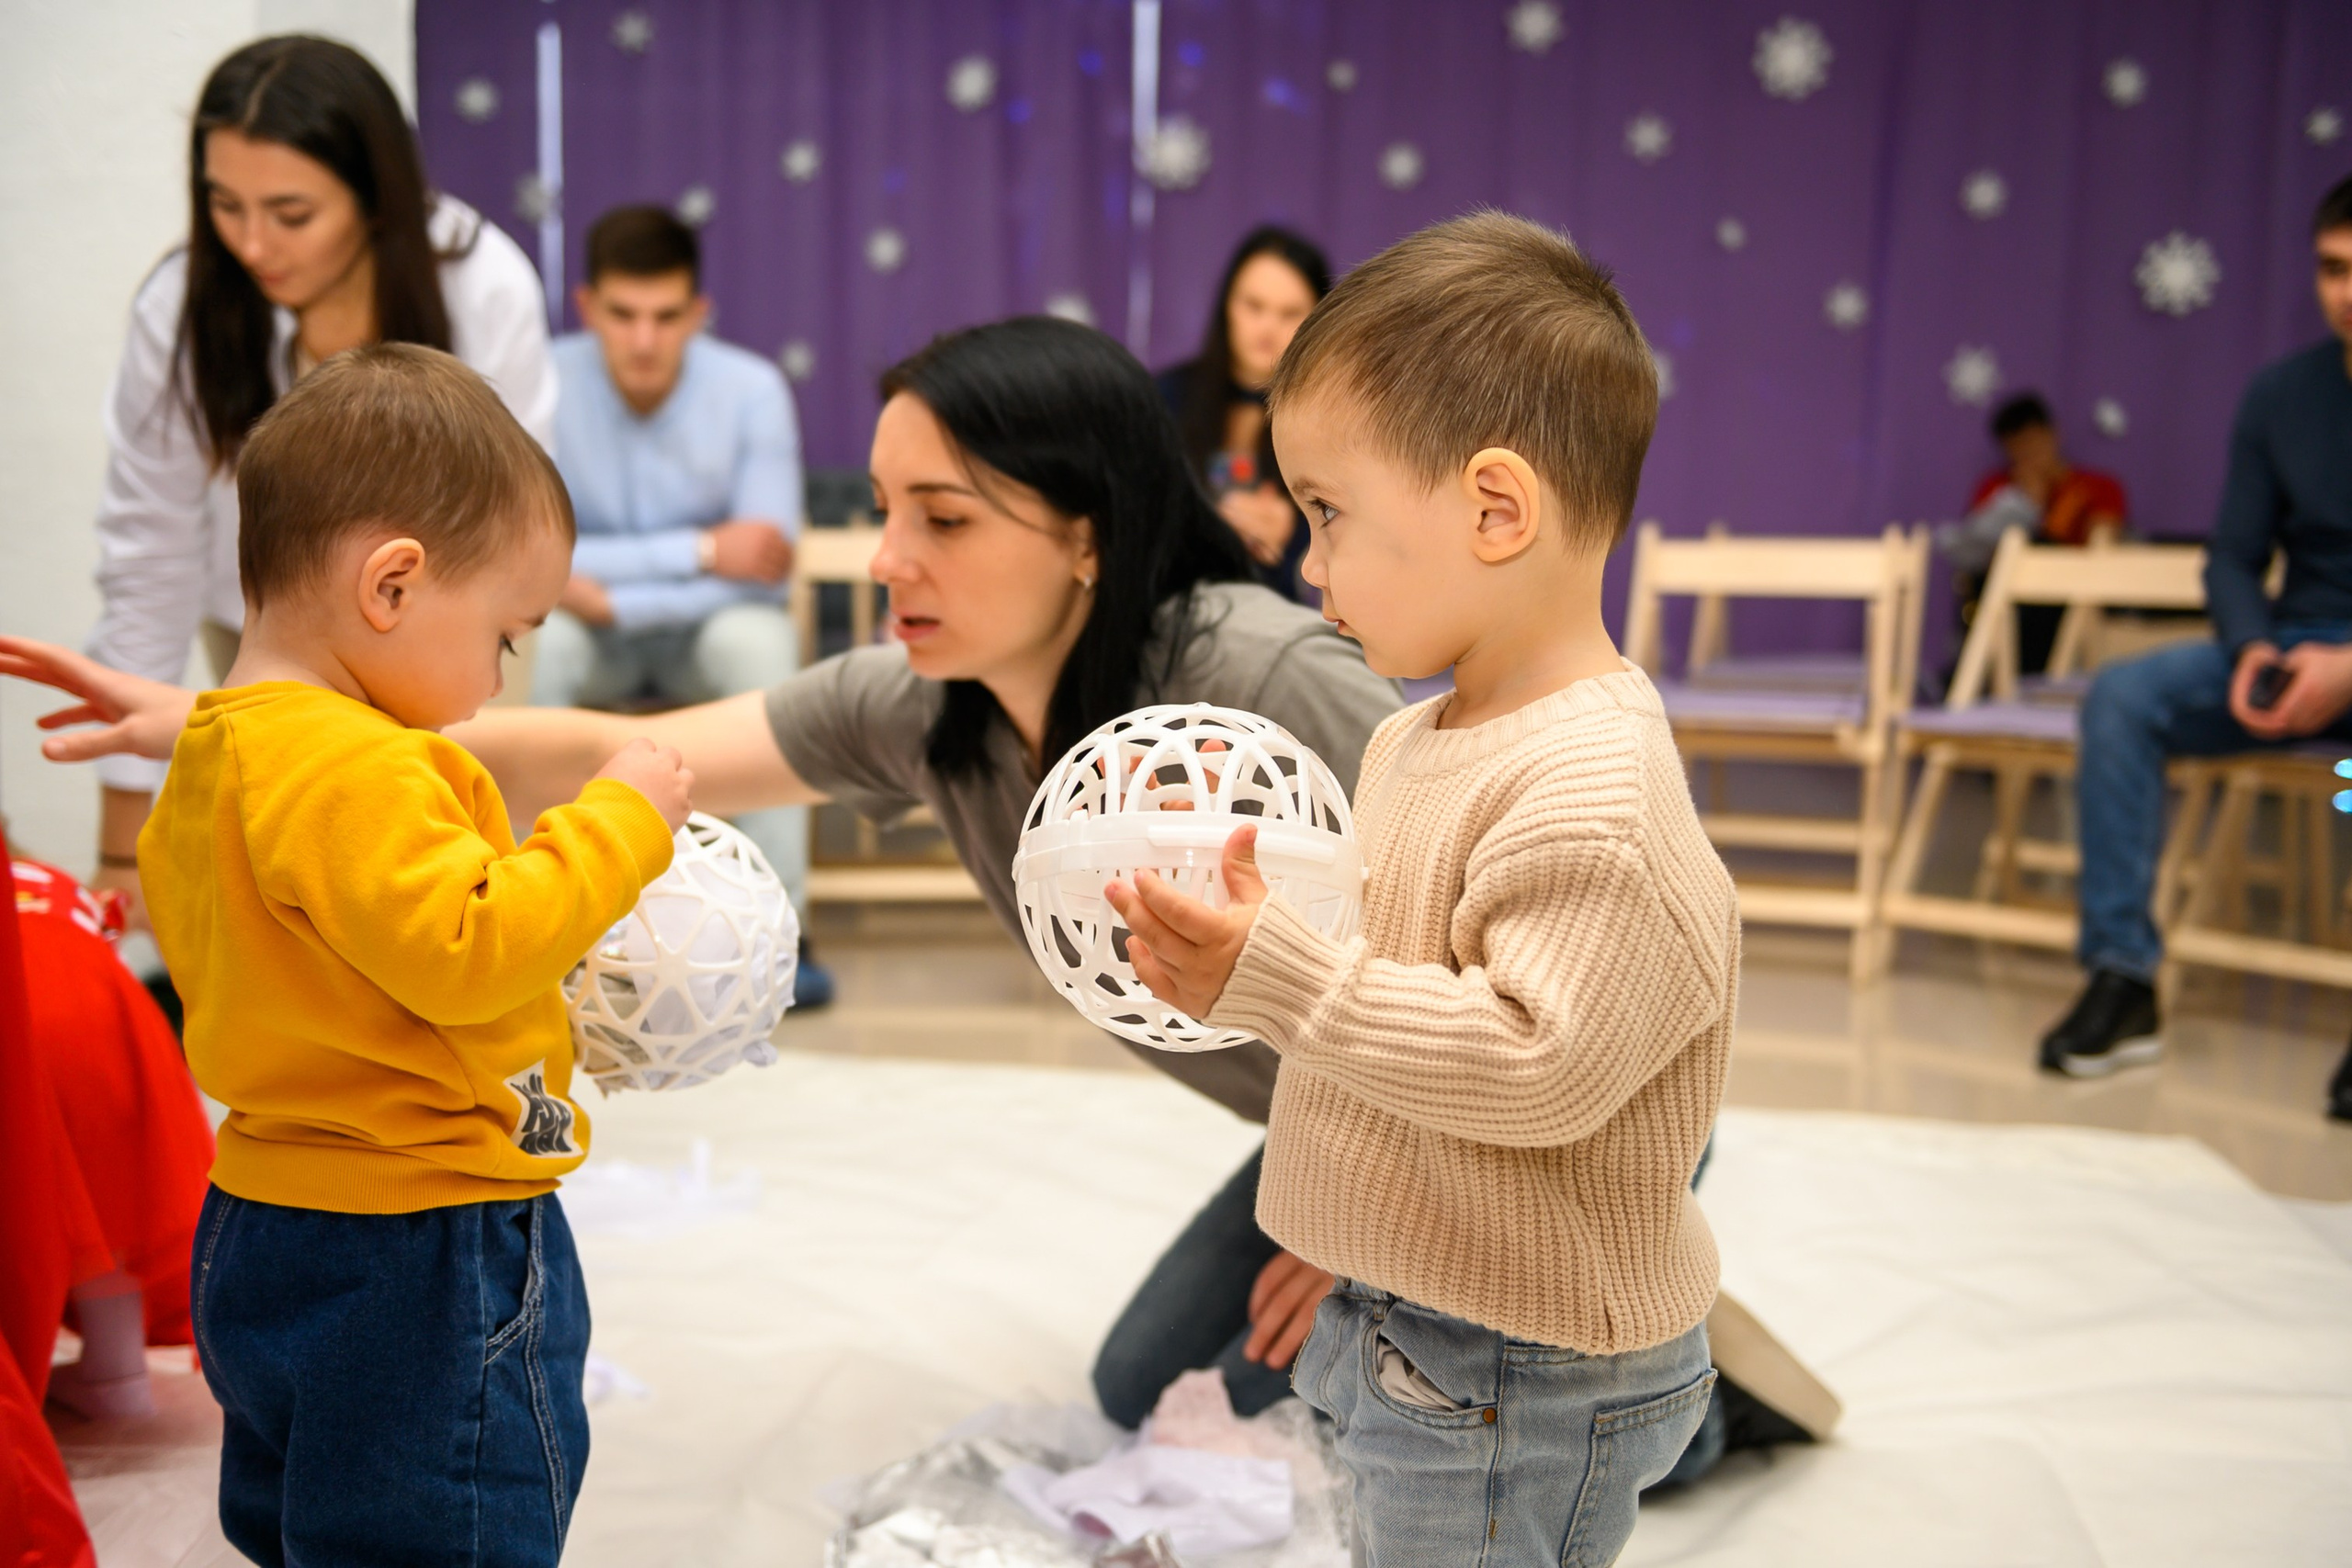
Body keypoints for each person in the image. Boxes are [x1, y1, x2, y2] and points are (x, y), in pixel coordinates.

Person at [4, 315, 1404, 1450]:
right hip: (1315, 1132)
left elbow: (1513, 980)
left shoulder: (1253, 681)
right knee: (1145, 1386)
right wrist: (239, 720)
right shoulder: (933, 699)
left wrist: (1372, 1228)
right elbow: (620, 752)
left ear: (1087, 534)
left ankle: (1621, 1375)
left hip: (1469, 1133)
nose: (890, 556)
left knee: (1405, 1386)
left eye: (947, 518)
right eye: (882, 507)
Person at [1102, 213, 1732, 1566]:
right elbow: (1389, 972)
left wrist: (1282, 970)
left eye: (1331, 514)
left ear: (1497, 510)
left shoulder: (1596, 787)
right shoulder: (1410, 736)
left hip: (1523, 1362)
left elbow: (1531, 1062)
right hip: (1406, 1311)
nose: (1310, 563)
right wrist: (1255, 916)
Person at [137, 345, 689, 1563]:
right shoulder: (365, 763)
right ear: (391, 583)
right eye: (504, 634)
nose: (498, 679)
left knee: (304, 1520)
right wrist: (620, 820)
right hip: (421, 1243)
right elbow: (474, 947)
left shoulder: (217, 752)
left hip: (259, 1218)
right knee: (457, 1519)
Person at [82, 35, 554, 932]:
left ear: (376, 198)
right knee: (295, 904)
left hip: (458, 623)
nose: (253, 243)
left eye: (291, 213)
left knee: (449, 903)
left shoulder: (482, 285)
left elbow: (514, 532)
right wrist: (118, 842)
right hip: (275, 631)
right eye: (225, 205)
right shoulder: (183, 308)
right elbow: (148, 558)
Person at [2037, 174, 2352, 1124]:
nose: (2348, 293)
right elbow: (2230, 558)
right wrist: (2254, 646)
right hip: (2288, 651)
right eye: (2334, 269)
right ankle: (2125, 977)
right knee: (2124, 698)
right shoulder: (2280, 395)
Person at [538, 205, 829, 1007]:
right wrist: (701, 548)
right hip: (585, 629)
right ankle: (541, 928)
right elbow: (529, 558)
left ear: (697, 313)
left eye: (666, 317)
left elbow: (764, 570)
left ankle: (782, 940)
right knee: (543, 645)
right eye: (623, 315)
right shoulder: (539, 381)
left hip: (695, 627)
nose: (643, 339)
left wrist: (608, 594)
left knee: (760, 642)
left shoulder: (752, 388)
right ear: (588, 305)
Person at [10, 852, 212, 1422]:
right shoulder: (57, 883)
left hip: (20, 1011)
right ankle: (115, 1370)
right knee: (114, 1195)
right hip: (113, 1021)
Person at [1159, 227, 1331, 602]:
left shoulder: (1334, 420)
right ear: (1227, 306)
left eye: (1290, 313)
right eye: (1253, 306)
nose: (1268, 327)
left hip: (1283, 619)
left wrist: (1306, 530)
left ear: (1319, 321)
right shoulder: (1165, 397)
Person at [1939, 393, 2129, 676]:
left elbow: (2103, 551)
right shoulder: (1997, 487)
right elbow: (1982, 554)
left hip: (2070, 599)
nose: (2026, 453)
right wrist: (2023, 504)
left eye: (2032, 441)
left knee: (2041, 554)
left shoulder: (2099, 487)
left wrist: (2040, 513)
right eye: (2016, 447)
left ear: (2053, 435)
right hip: (2006, 598)